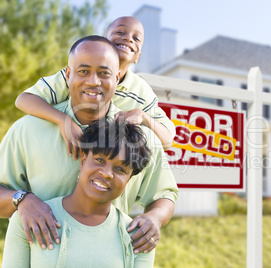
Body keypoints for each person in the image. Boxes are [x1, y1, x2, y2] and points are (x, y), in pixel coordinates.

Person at [0, 35, 178, 255]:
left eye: (104, 73)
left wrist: (154, 218)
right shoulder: (27, 129)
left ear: (118, 76)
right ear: (68, 74)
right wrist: (22, 200)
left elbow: (165, 195)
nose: (93, 81)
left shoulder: (139, 139)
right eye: (83, 71)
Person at [2, 120, 155, 268]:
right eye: (100, 160)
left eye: (121, 169)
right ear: (83, 160)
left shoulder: (139, 236)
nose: (107, 173)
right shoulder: (30, 218)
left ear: (128, 180)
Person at [15, 16, 174, 155]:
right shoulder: (77, 75)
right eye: (120, 32)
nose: (128, 38)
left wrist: (143, 116)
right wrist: (63, 120)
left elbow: (167, 141)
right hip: (63, 150)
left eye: (136, 38)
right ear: (104, 40)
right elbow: (24, 100)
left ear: (138, 56)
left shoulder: (141, 91)